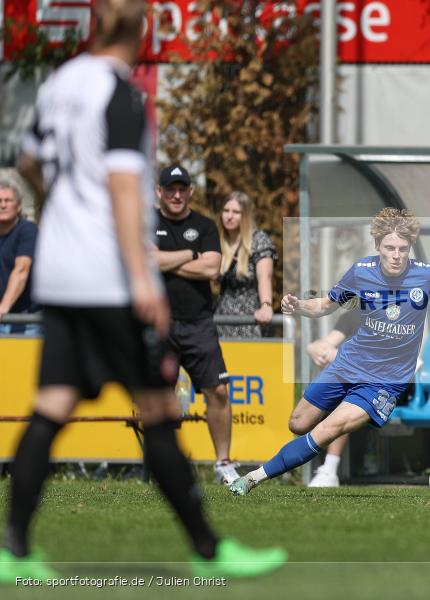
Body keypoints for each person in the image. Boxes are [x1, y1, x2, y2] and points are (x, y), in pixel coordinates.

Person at [0, 0, 285, 584]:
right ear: (141, 27)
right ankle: (210, 553)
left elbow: (27, 161)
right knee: (157, 410)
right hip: (106, 277)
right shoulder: (121, 93)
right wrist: (139, 276)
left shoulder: (59, 84)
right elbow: (126, 187)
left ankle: (13, 550)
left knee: (53, 405)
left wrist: (62, 206)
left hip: (61, 273)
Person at [228, 207, 430, 496]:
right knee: (298, 423)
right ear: (378, 245)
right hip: (348, 364)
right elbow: (326, 304)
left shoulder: (424, 274)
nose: (396, 255)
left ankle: (252, 478)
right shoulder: (361, 272)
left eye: (403, 249)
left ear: (410, 248)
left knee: (327, 430)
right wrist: (302, 306)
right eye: (390, 248)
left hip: (385, 382)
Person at [154, 164, 236, 484]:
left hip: (198, 322)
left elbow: (212, 268)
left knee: (218, 391)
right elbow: (147, 260)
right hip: (158, 322)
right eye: (170, 188)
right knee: (160, 399)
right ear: (159, 191)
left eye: (181, 189)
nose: (176, 194)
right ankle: (164, 467)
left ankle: (223, 464)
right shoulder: (145, 222)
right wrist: (191, 255)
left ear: (190, 192)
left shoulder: (204, 225)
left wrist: (167, 261)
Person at [304, 308, 362, 487]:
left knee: (346, 382)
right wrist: (313, 348)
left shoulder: (397, 313)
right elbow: (325, 343)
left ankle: (329, 468)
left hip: (399, 384)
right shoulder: (354, 315)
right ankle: (329, 469)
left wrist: (337, 356)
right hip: (360, 382)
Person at [215, 191, 277, 338]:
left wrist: (266, 306)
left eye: (236, 212)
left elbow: (265, 277)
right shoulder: (217, 240)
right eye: (226, 211)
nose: (229, 216)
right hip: (221, 321)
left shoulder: (258, 240)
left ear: (246, 216)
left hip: (250, 320)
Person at [0, 180, 39, 335]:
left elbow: (21, 270)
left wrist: (3, 307)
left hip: (26, 320)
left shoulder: (28, 230)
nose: (2, 205)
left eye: (8, 201)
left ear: (18, 206)